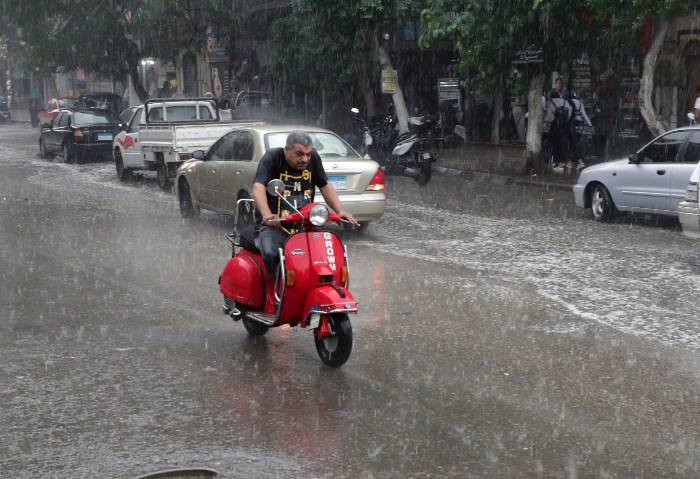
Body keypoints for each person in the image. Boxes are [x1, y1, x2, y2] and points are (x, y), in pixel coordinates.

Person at [252, 130, 359, 278]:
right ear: (287, 150)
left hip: (305, 224)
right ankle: (278, 294)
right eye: (299, 154)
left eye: (308, 154)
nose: (305, 159)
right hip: (273, 225)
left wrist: (340, 210)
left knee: (325, 257)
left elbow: (324, 185)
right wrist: (267, 214)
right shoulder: (272, 157)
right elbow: (259, 187)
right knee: (272, 254)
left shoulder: (313, 159)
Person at [563, 92, 593, 171]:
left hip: (571, 127)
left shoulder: (567, 102)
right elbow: (584, 115)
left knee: (572, 144)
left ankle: (579, 162)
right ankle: (570, 161)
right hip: (580, 128)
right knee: (574, 144)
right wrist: (590, 125)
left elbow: (568, 115)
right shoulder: (579, 103)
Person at [544, 91, 572, 173]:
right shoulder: (565, 101)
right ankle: (562, 162)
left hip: (554, 125)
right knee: (562, 143)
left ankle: (555, 162)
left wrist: (546, 122)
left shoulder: (550, 102)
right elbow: (569, 114)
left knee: (553, 144)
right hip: (564, 125)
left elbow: (549, 115)